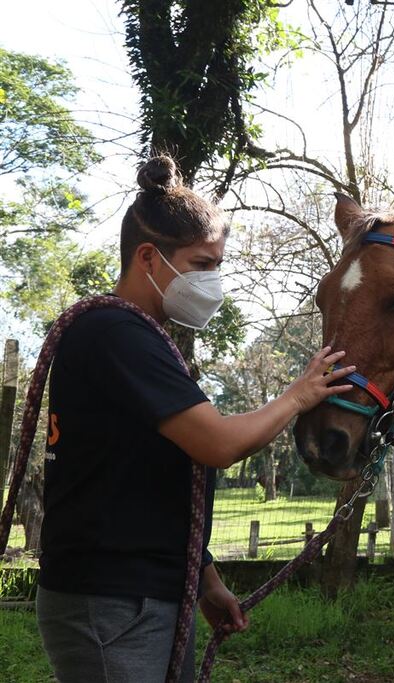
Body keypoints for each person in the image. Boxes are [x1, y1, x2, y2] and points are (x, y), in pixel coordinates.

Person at [35, 155, 357, 682]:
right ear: (148, 258)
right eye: (203, 264)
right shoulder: (117, 335)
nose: (215, 281)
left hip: (144, 594)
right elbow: (217, 443)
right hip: (110, 601)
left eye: (218, 264)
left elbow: (152, 477)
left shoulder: (137, 336)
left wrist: (205, 580)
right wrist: (296, 398)